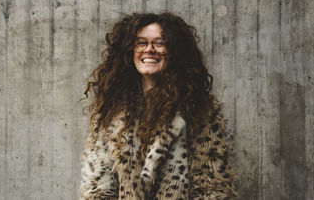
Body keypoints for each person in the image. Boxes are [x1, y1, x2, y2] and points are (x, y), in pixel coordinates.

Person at [80, 13, 237, 199]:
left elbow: (213, 189)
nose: (149, 49)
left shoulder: (199, 111)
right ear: (130, 51)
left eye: (160, 43)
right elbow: (97, 189)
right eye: (141, 42)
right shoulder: (111, 112)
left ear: (174, 52)